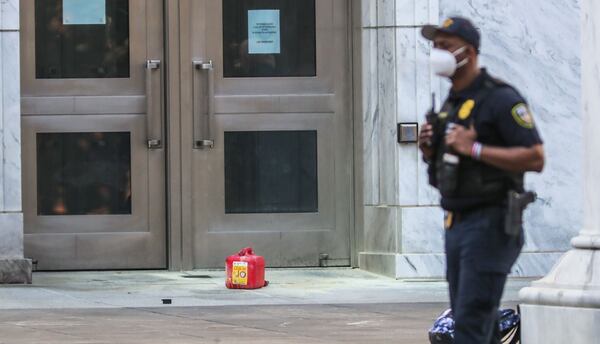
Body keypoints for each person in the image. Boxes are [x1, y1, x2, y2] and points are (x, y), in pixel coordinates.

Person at [418, 17, 545, 343]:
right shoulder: (452, 103)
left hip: (491, 223)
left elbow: (535, 157)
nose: (437, 52)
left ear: (469, 52)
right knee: (474, 322)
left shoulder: (500, 99)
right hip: (457, 223)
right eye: (435, 45)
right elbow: (448, 174)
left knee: (471, 325)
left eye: (445, 46)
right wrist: (430, 149)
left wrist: (473, 147)